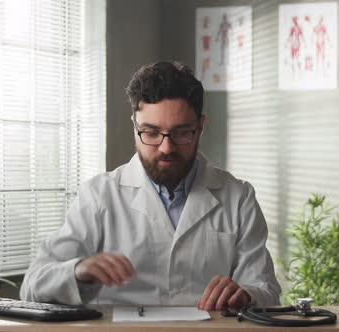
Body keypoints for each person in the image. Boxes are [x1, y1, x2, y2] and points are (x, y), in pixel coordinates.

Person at [20, 61, 281, 310]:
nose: (166, 148)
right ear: (135, 127)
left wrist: (246, 295)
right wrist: (78, 271)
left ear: (200, 127)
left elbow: (266, 291)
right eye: (151, 133)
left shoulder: (238, 197)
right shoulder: (99, 196)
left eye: (180, 133)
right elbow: (32, 286)